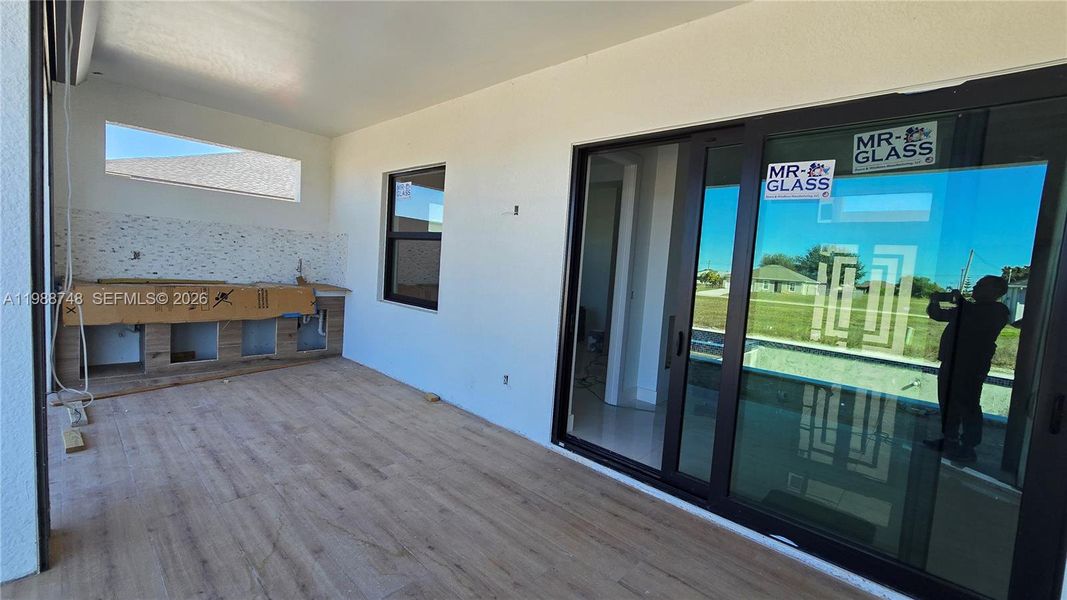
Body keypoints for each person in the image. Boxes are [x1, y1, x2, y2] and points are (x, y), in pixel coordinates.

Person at [924, 275, 1010, 463]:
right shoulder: (969, 308)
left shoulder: (998, 311)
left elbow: (978, 321)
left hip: (971, 367)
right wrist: (934, 302)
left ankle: (968, 447)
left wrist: (960, 301)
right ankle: (950, 440)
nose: (976, 287)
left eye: (981, 285)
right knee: (947, 402)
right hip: (950, 362)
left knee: (968, 405)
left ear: (996, 292)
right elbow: (938, 316)